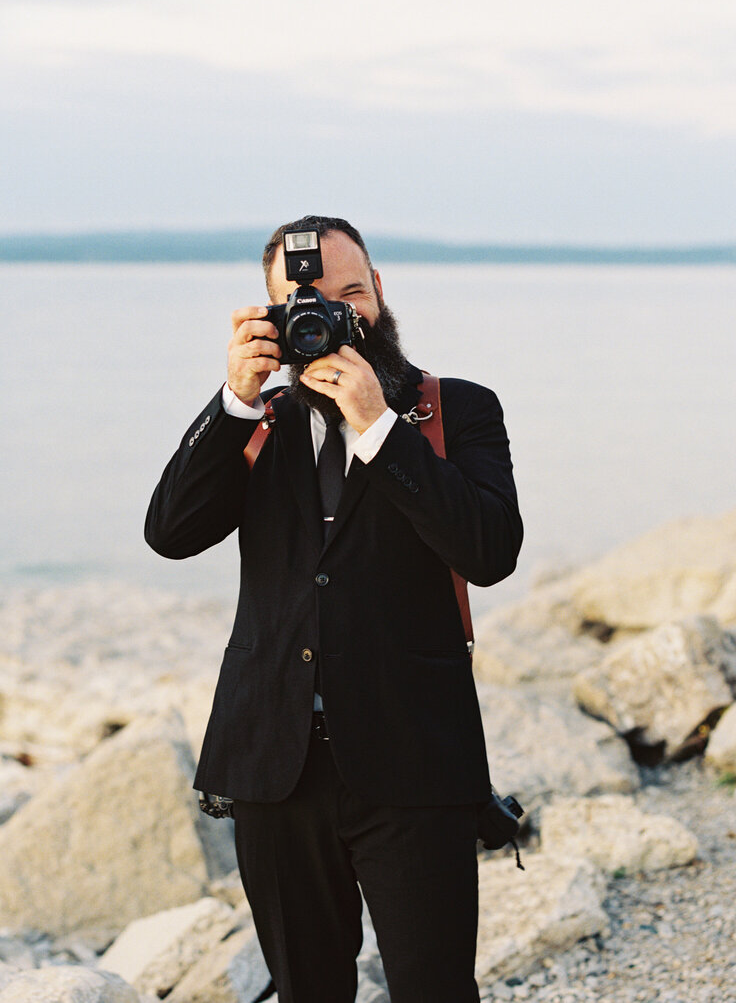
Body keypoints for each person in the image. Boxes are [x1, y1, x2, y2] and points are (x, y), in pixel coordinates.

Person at [145, 215, 523, 1003]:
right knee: (307, 989)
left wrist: (379, 425)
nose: (334, 315)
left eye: (351, 293)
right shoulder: (258, 426)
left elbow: (490, 552)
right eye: (305, 302)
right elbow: (170, 533)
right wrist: (235, 398)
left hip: (414, 758)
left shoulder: (456, 411)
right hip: (274, 765)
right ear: (275, 317)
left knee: (436, 987)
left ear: (378, 294)